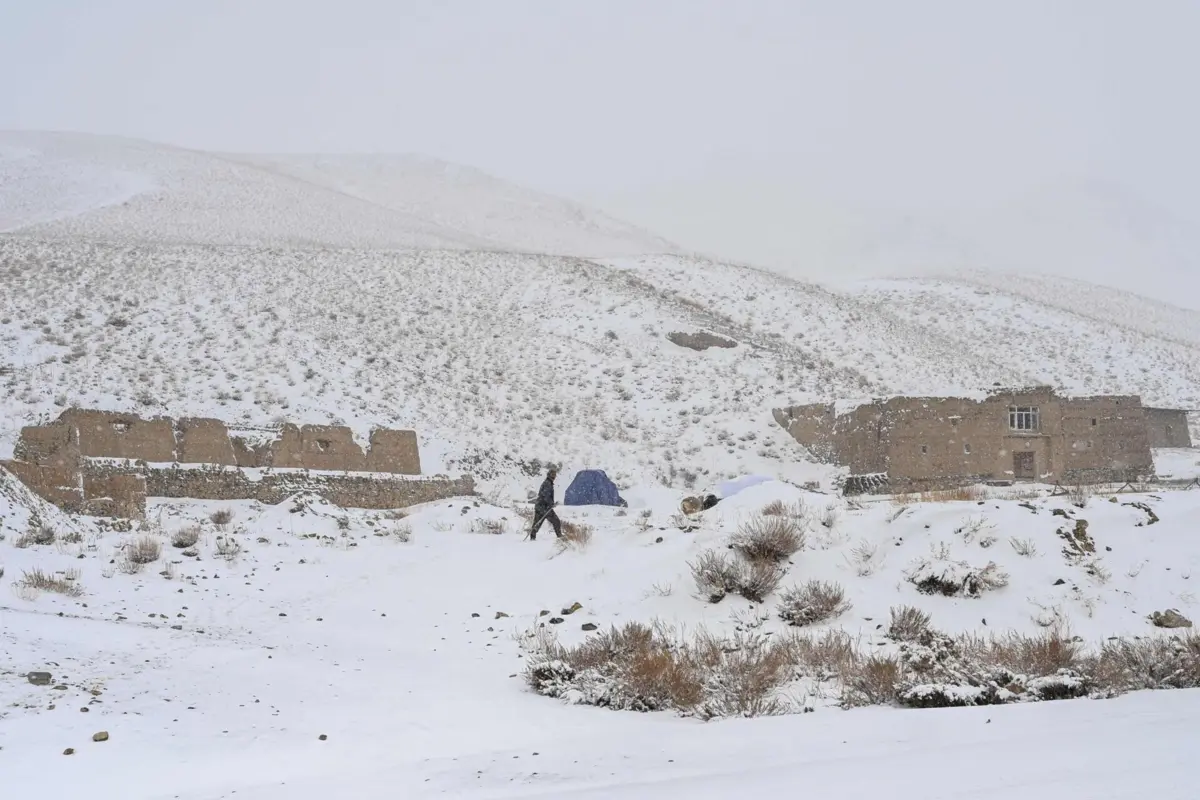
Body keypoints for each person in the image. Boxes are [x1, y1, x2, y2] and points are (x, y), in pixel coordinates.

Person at [528, 466, 562, 540]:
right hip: (544, 507)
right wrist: (551, 504)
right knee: (556, 521)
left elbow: (545, 496)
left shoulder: (548, 483)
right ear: (549, 475)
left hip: (540, 506)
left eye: (555, 475)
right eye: (553, 475)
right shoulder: (547, 484)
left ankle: (532, 538)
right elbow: (546, 496)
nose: (554, 476)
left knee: (537, 524)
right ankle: (560, 537)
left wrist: (551, 503)